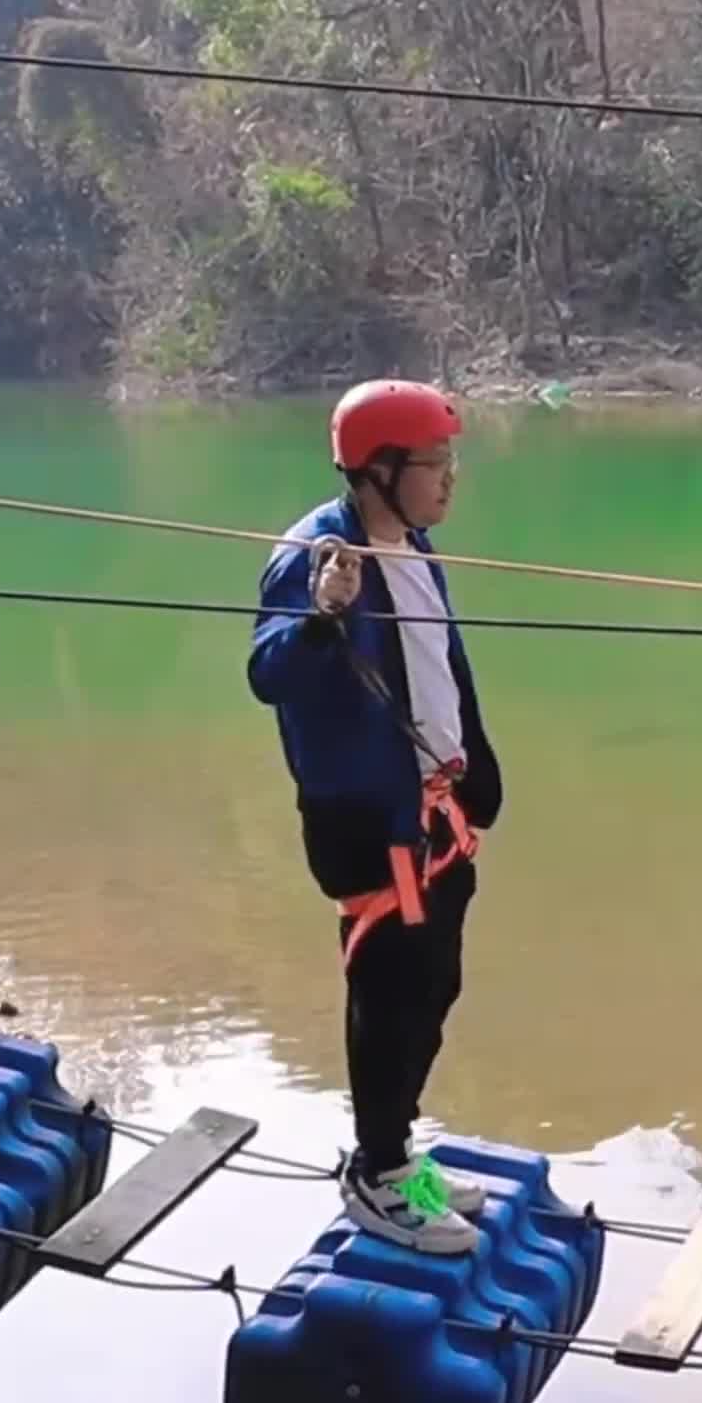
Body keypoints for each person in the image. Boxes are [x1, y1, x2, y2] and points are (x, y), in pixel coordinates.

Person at [247, 379, 505, 1255]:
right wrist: (324, 618)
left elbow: (438, 663)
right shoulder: (318, 557)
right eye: (434, 464)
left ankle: (398, 1158)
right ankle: (376, 1172)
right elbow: (269, 673)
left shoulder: (416, 543)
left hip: (435, 812)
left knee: (436, 987)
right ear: (379, 470)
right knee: (390, 992)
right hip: (369, 819)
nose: (449, 479)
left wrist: (479, 759)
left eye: (449, 462)